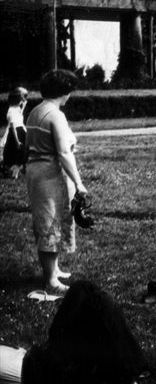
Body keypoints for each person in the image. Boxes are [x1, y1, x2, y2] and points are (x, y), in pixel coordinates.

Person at [0, 281, 146, 384]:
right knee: (96, 301)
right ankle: (126, 376)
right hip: (42, 377)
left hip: (42, 359)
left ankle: (123, 372)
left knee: (82, 288)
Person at [25, 69, 86, 295]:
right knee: (49, 222)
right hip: (47, 172)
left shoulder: (36, 111)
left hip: (37, 170)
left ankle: (55, 268)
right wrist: (79, 183)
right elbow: (63, 153)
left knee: (53, 219)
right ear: (65, 91)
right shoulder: (55, 114)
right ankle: (51, 280)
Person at [2, 87, 28, 179]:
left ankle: (19, 170)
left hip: (20, 131)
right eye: (21, 99)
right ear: (17, 100)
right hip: (16, 133)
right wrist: (17, 141)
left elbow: (20, 115)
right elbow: (13, 127)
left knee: (23, 153)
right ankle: (14, 172)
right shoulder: (11, 111)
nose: (23, 100)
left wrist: (24, 105)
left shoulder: (15, 109)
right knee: (19, 154)